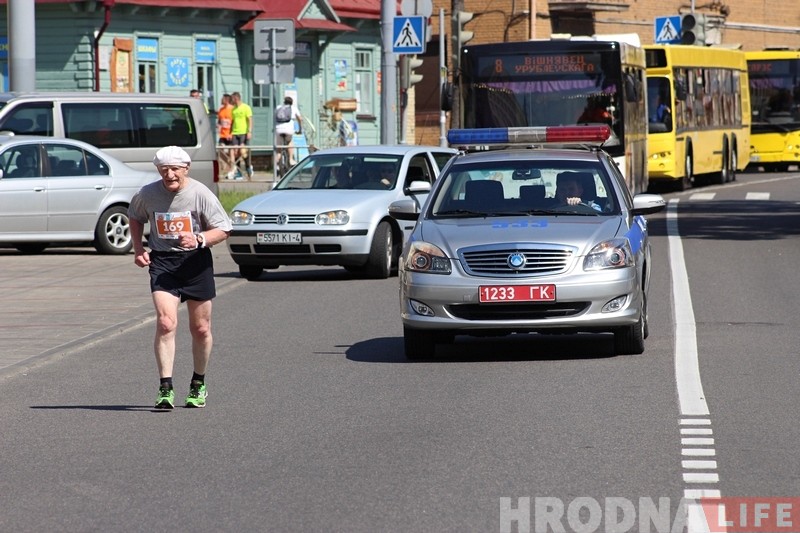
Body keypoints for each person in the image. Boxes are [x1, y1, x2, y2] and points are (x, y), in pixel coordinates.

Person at [128, 145, 232, 410]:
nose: (170, 175)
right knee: (165, 323)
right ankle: (165, 388)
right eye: (164, 170)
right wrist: (139, 248)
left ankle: (198, 384)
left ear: (186, 169)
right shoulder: (148, 194)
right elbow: (135, 216)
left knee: (201, 329)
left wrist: (199, 238)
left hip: (196, 263)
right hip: (163, 262)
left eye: (175, 169)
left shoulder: (200, 193)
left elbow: (224, 228)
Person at [275, 96, 303, 170]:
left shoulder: (278, 107)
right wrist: (300, 130)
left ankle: (277, 163)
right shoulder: (293, 108)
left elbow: (275, 117)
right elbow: (300, 119)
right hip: (288, 129)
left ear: (284, 102)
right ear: (292, 103)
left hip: (278, 129)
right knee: (290, 141)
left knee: (279, 148)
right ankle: (290, 159)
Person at [230, 91, 253, 179]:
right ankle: (239, 172)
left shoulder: (246, 107)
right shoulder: (233, 109)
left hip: (243, 132)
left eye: (232, 99)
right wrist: (231, 132)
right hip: (235, 133)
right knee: (235, 152)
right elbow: (233, 121)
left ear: (236, 98)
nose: (231, 101)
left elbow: (250, 120)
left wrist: (249, 131)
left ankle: (248, 168)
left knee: (243, 152)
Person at [216, 93, 234, 178]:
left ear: (227, 99)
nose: (221, 100)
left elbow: (234, 122)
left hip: (230, 134)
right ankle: (229, 164)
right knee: (221, 151)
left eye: (223, 99)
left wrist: (231, 133)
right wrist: (218, 126)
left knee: (231, 152)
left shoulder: (232, 109)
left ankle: (232, 169)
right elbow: (219, 121)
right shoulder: (221, 109)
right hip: (222, 134)